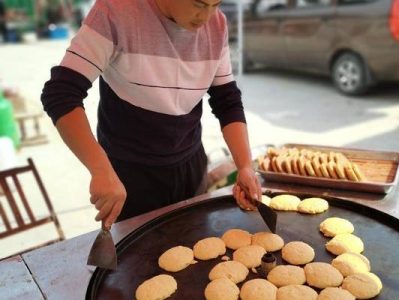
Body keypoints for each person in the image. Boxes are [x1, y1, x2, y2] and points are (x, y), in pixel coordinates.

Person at [40, 0, 261, 228]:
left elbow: (227, 100)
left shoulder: (216, 24)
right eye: (199, 4)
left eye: (216, 4)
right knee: (135, 259)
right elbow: (60, 94)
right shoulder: (116, 11)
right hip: (129, 176)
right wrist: (99, 169)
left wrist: (244, 165)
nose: (206, 17)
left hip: (190, 164)